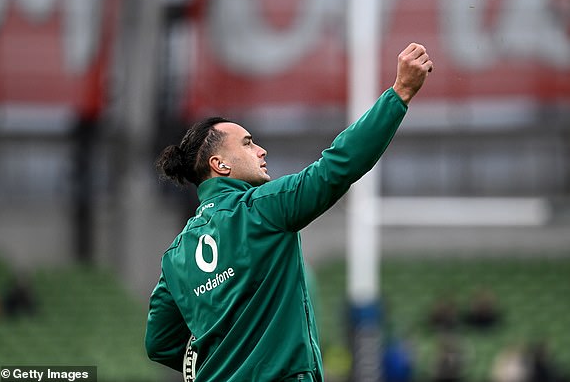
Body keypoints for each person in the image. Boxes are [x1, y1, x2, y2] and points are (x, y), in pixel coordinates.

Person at [145, 43, 433, 382]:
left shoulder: (176, 256)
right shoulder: (262, 209)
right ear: (219, 164)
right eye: (248, 143)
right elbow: (336, 167)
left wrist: (224, 357)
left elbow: (160, 342)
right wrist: (399, 94)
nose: (261, 150)